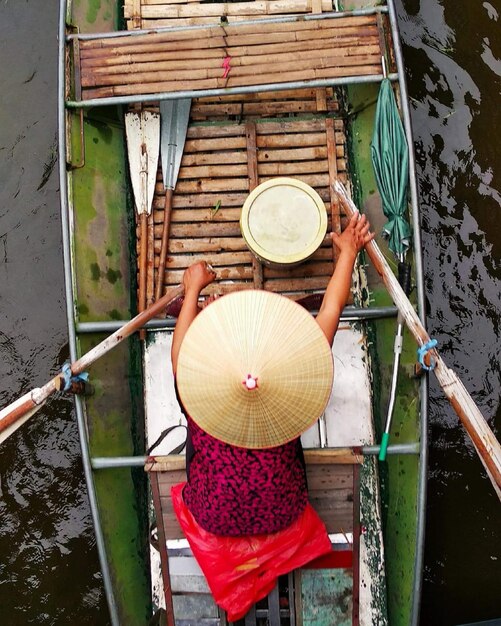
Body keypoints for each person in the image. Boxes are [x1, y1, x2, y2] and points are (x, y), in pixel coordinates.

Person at [171, 211, 374, 537]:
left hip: (210, 515)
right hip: (284, 512)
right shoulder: (297, 375)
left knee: (196, 437)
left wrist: (192, 289)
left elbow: (180, 351)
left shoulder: (192, 386)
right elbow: (331, 309)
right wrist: (349, 252)